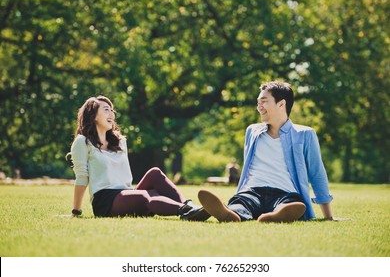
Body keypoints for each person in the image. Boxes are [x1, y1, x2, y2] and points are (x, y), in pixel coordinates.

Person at [198, 81, 334, 222]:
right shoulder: (252, 131)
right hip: (252, 191)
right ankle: (231, 213)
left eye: (263, 102)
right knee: (242, 203)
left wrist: (328, 216)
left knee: (289, 204)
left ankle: (278, 215)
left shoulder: (304, 134)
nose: (259, 107)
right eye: (258, 103)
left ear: (281, 104)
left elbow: (317, 173)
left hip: (285, 193)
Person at [68, 95, 210, 221]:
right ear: (93, 116)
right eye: (106, 109)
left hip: (126, 193)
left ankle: (189, 205)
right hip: (106, 200)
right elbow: (81, 177)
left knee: (155, 173)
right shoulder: (82, 142)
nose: (111, 113)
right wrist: (75, 211)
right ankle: (185, 211)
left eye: (112, 110)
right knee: (144, 196)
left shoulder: (119, 141)